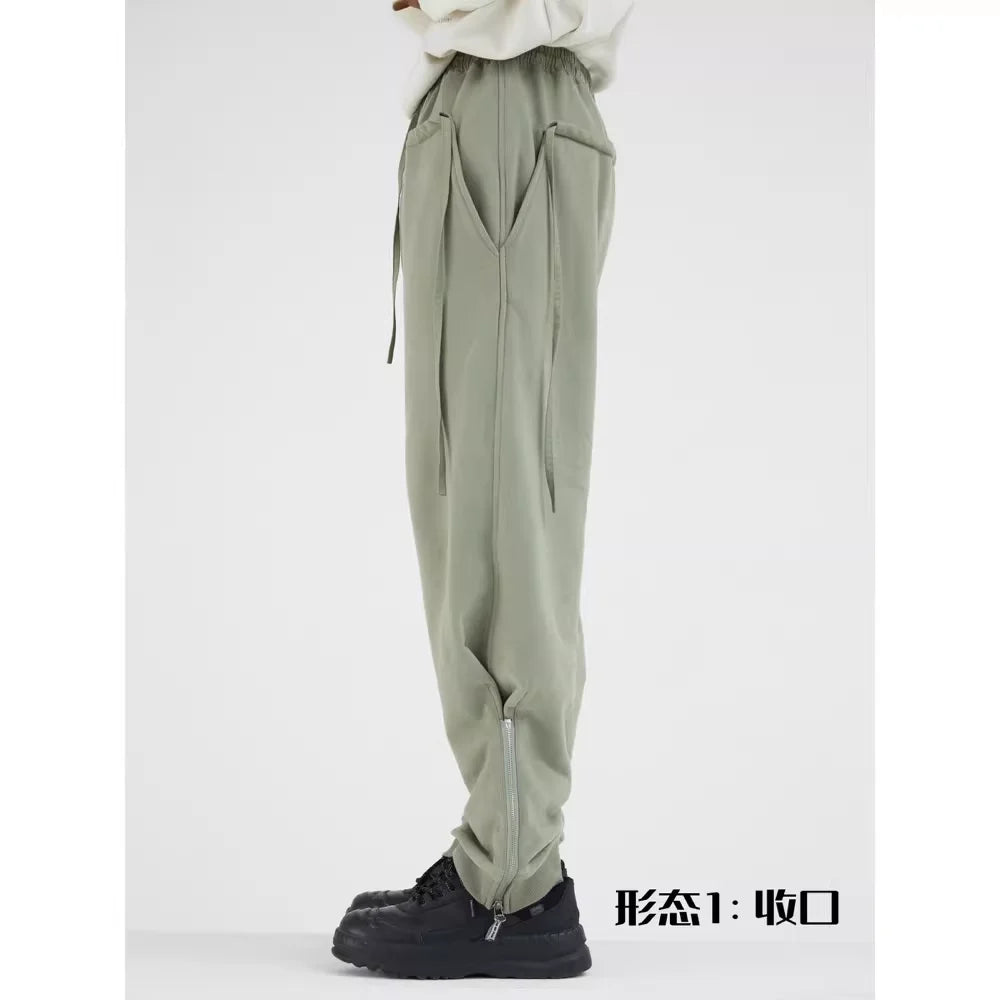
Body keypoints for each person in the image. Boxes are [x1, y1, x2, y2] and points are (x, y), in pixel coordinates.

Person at [332, 0, 633, 979]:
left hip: (508, 103)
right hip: (486, 106)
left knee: (502, 510)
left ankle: (512, 882)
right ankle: (502, 854)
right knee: (474, 491)